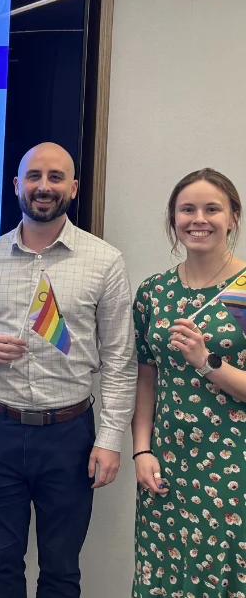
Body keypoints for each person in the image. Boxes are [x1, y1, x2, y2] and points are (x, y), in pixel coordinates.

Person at [0, 142, 137, 597]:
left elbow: (121, 361)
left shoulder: (104, 261)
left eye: (55, 177)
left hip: (70, 436)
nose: (43, 187)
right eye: (34, 176)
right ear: (17, 185)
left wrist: (109, 441)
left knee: (62, 571)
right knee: (1, 567)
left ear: (72, 187)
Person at [130, 169, 246, 596]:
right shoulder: (154, 293)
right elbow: (146, 378)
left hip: (233, 467)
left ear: (233, 217)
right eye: (187, 209)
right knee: (166, 574)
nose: (200, 219)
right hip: (168, 464)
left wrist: (206, 361)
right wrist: (142, 449)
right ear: (173, 218)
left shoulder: (244, 290)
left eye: (212, 209)